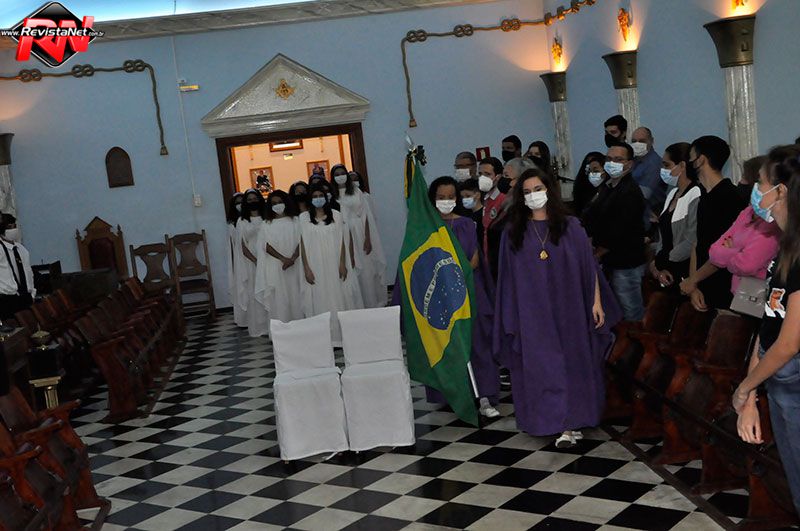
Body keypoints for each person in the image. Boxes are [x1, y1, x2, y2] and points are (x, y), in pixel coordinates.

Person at [494, 168, 621, 446]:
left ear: (549, 190)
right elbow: (508, 278)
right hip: (532, 311)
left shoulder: (571, 226)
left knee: (572, 363)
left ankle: (571, 422)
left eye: (538, 189)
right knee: (543, 365)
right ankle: (549, 420)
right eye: (527, 192)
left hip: (570, 307)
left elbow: (589, 268)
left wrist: (596, 302)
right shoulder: (513, 232)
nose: (533, 196)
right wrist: (511, 315)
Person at [734, 146, 800, 516]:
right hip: (779, 380)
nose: (755, 191)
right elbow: (769, 323)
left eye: (760, 183)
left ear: (781, 190)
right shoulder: (785, 247)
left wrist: (745, 388)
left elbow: (789, 342)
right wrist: (752, 395)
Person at [427, 176, 500, 418]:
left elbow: (475, 258)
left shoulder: (467, 224)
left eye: (450, 197)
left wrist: (460, 276)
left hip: (469, 288)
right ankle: (454, 394)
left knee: (477, 341)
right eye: (441, 197)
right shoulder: (428, 228)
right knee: (447, 344)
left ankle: (485, 394)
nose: (446, 201)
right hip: (441, 293)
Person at [679, 136, 747, 311]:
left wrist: (693, 280)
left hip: (724, 286)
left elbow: (728, 249)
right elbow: (697, 242)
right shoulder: (704, 196)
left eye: (691, 158)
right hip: (702, 283)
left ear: (700, 160)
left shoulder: (731, 197)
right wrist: (693, 284)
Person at [582, 142, 647, 320]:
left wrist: (597, 253)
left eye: (618, 159)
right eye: (609, 159)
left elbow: (619, 230)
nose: (612, 163)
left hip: (626, 262)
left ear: (630, 164)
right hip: (610, 260)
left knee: (630, 312)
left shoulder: (629, 191)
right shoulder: (608, 186)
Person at [299, 182, 363, 345]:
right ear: (310, 199)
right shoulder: (303, 218)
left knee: (338, 297)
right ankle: (323, 339)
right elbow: (303, 245)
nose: (318, 199)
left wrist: (342, 263)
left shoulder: (336, 215)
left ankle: (340, 337)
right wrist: (306, 268)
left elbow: (342, 241)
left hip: (334, 263)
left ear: (326, 198)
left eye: (321, 196)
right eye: (314, 196)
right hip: (315, 265)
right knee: (319, 298)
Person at [332, 164, 387, 309]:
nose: (340, 176)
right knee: (351, 267)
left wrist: (368, 238)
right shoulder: (332, 195)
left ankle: (371, 303)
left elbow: (365, 216)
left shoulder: (356, 192)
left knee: (367, 269)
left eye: (342, 173)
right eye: (336, 174)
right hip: (342, 232)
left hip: (359, 231)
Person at [649, 143, 703, 289]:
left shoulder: (696, 193)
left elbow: (691, 240)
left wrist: (666, 262)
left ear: (682, 166)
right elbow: (663, 234)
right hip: (665, 267)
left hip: (682, 268)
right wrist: (656, 263)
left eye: (667, 165)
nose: (663, 170)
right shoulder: (672, 193)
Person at [254, 190, 303, 324]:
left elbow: (302, 240)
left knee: (296, 295)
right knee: (279, 299)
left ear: (286, 202)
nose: (277, 205)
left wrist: (293, 258)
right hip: (276, 265)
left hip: (296, 264)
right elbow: (265, 245)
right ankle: (281, 329)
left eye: (280, 202)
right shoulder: (266, 224)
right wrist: (283, 259)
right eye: (274, 203)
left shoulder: (296, 221)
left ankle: (301, 328)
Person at [486, 157, 538, 281]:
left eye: (506, 176)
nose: (502, 180)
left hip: (514, 273)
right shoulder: (506, 205)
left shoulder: (524, 210)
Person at [236, 189, 270, 337]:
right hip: (252, 263)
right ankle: (259, 327)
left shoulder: (267, 217)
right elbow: (242, 246)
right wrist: (256, 260)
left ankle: (271, 325)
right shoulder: (242, 221)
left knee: (268, 290)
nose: (252, 202)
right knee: (255, 291)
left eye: (255, 199)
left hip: (269, 259)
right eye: (249, 200)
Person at [0, 213, 34, 321]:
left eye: (14, 226)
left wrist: (32, 292)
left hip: (25, 296)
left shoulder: (21, 249)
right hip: (8, 299)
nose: (13, 230)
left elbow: (28, 272)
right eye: (9, 227)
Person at [631, 126, 668, 216]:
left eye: (642, 141)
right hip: (638, 210)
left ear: (651, 141)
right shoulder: (634, 161)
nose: (637, 144)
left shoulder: (654, 163)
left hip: (652, 212)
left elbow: (643, 194)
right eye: (634, 141)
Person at [226, 192, 248, 327]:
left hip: (250, 257)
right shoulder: (231, 225)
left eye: (242, 202)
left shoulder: (248, 221)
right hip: (239, 259)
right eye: (237, 203)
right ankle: (243, 318)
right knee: (241, 286)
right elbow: (232, 246)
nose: (239, 205)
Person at [571, 151, 606, 217]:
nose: (591, 174)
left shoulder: (611, 190)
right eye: (589, 171)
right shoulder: (582, 189)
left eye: (596, 171)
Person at [459, 178, 484, 244]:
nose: (464, 199)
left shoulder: (484, 215)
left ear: (478, 195)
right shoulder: (464, 215)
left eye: (468, 196)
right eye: (462, 197)